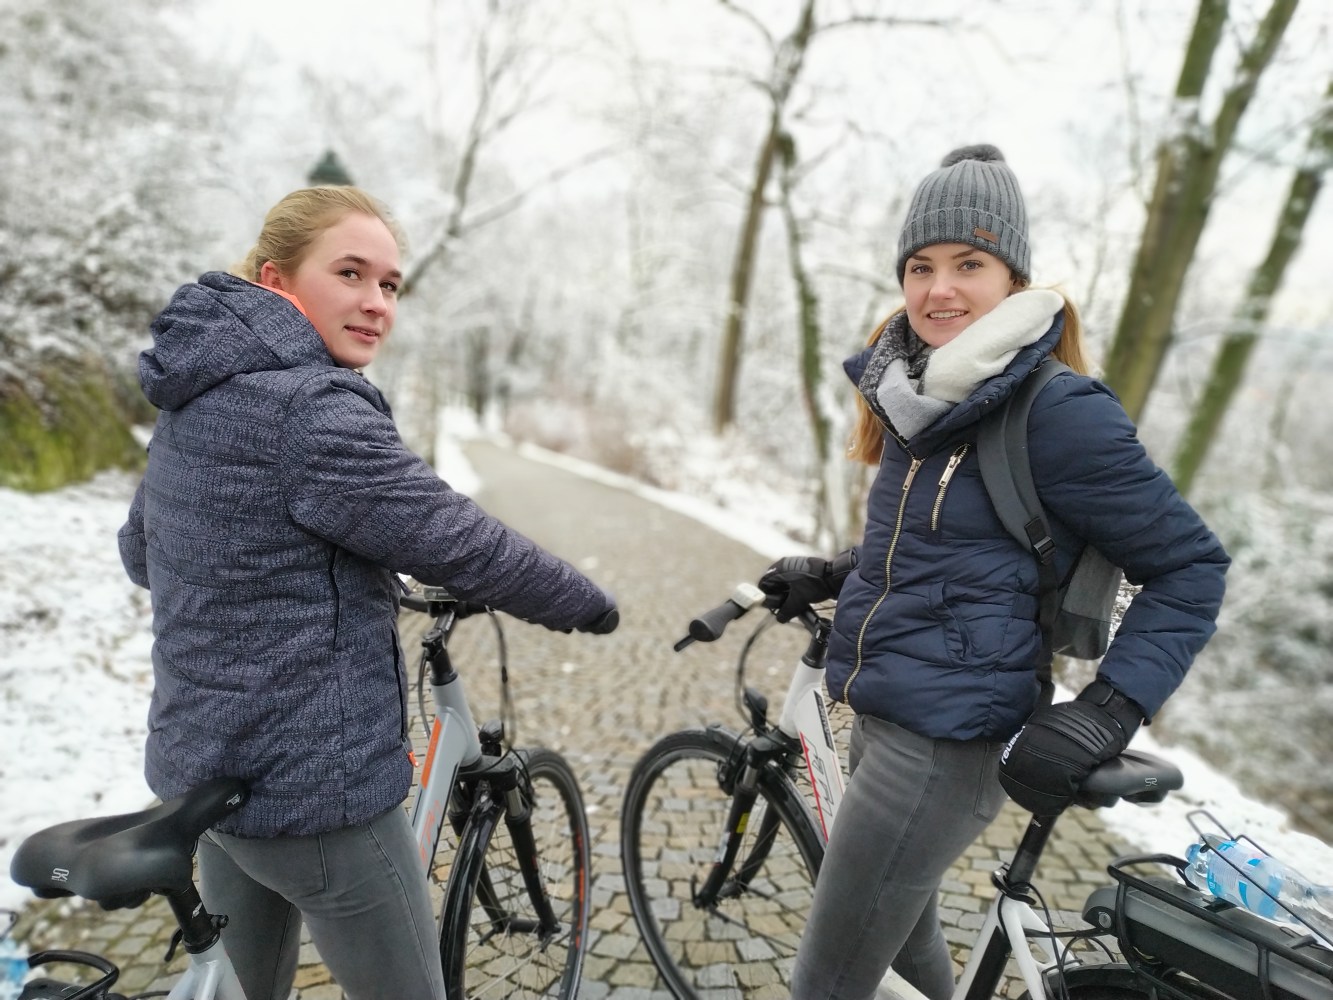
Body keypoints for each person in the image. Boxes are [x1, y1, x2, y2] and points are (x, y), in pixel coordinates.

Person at [117, 185, 618, 1000]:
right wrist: (586, 603)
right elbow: (456, 539)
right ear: (276, 279)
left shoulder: (197, 389)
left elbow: (144, 553)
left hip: (201, 777)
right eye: (350, 273)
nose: (376, 302)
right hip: (318, 796)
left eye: (390, 284)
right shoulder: (309, 408)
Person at [757, 145, 1229, 1000]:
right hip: (883, 713)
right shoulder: (917, 396)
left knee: (823, 984)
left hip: (942, 748)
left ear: (1012, 277)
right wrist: (830, 571)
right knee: (903, 953)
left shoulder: (1055, 412)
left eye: (968, 263)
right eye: (920, 266)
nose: (939, 290)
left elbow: (1190, 567)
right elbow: (943, 548)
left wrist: (1106, 711)